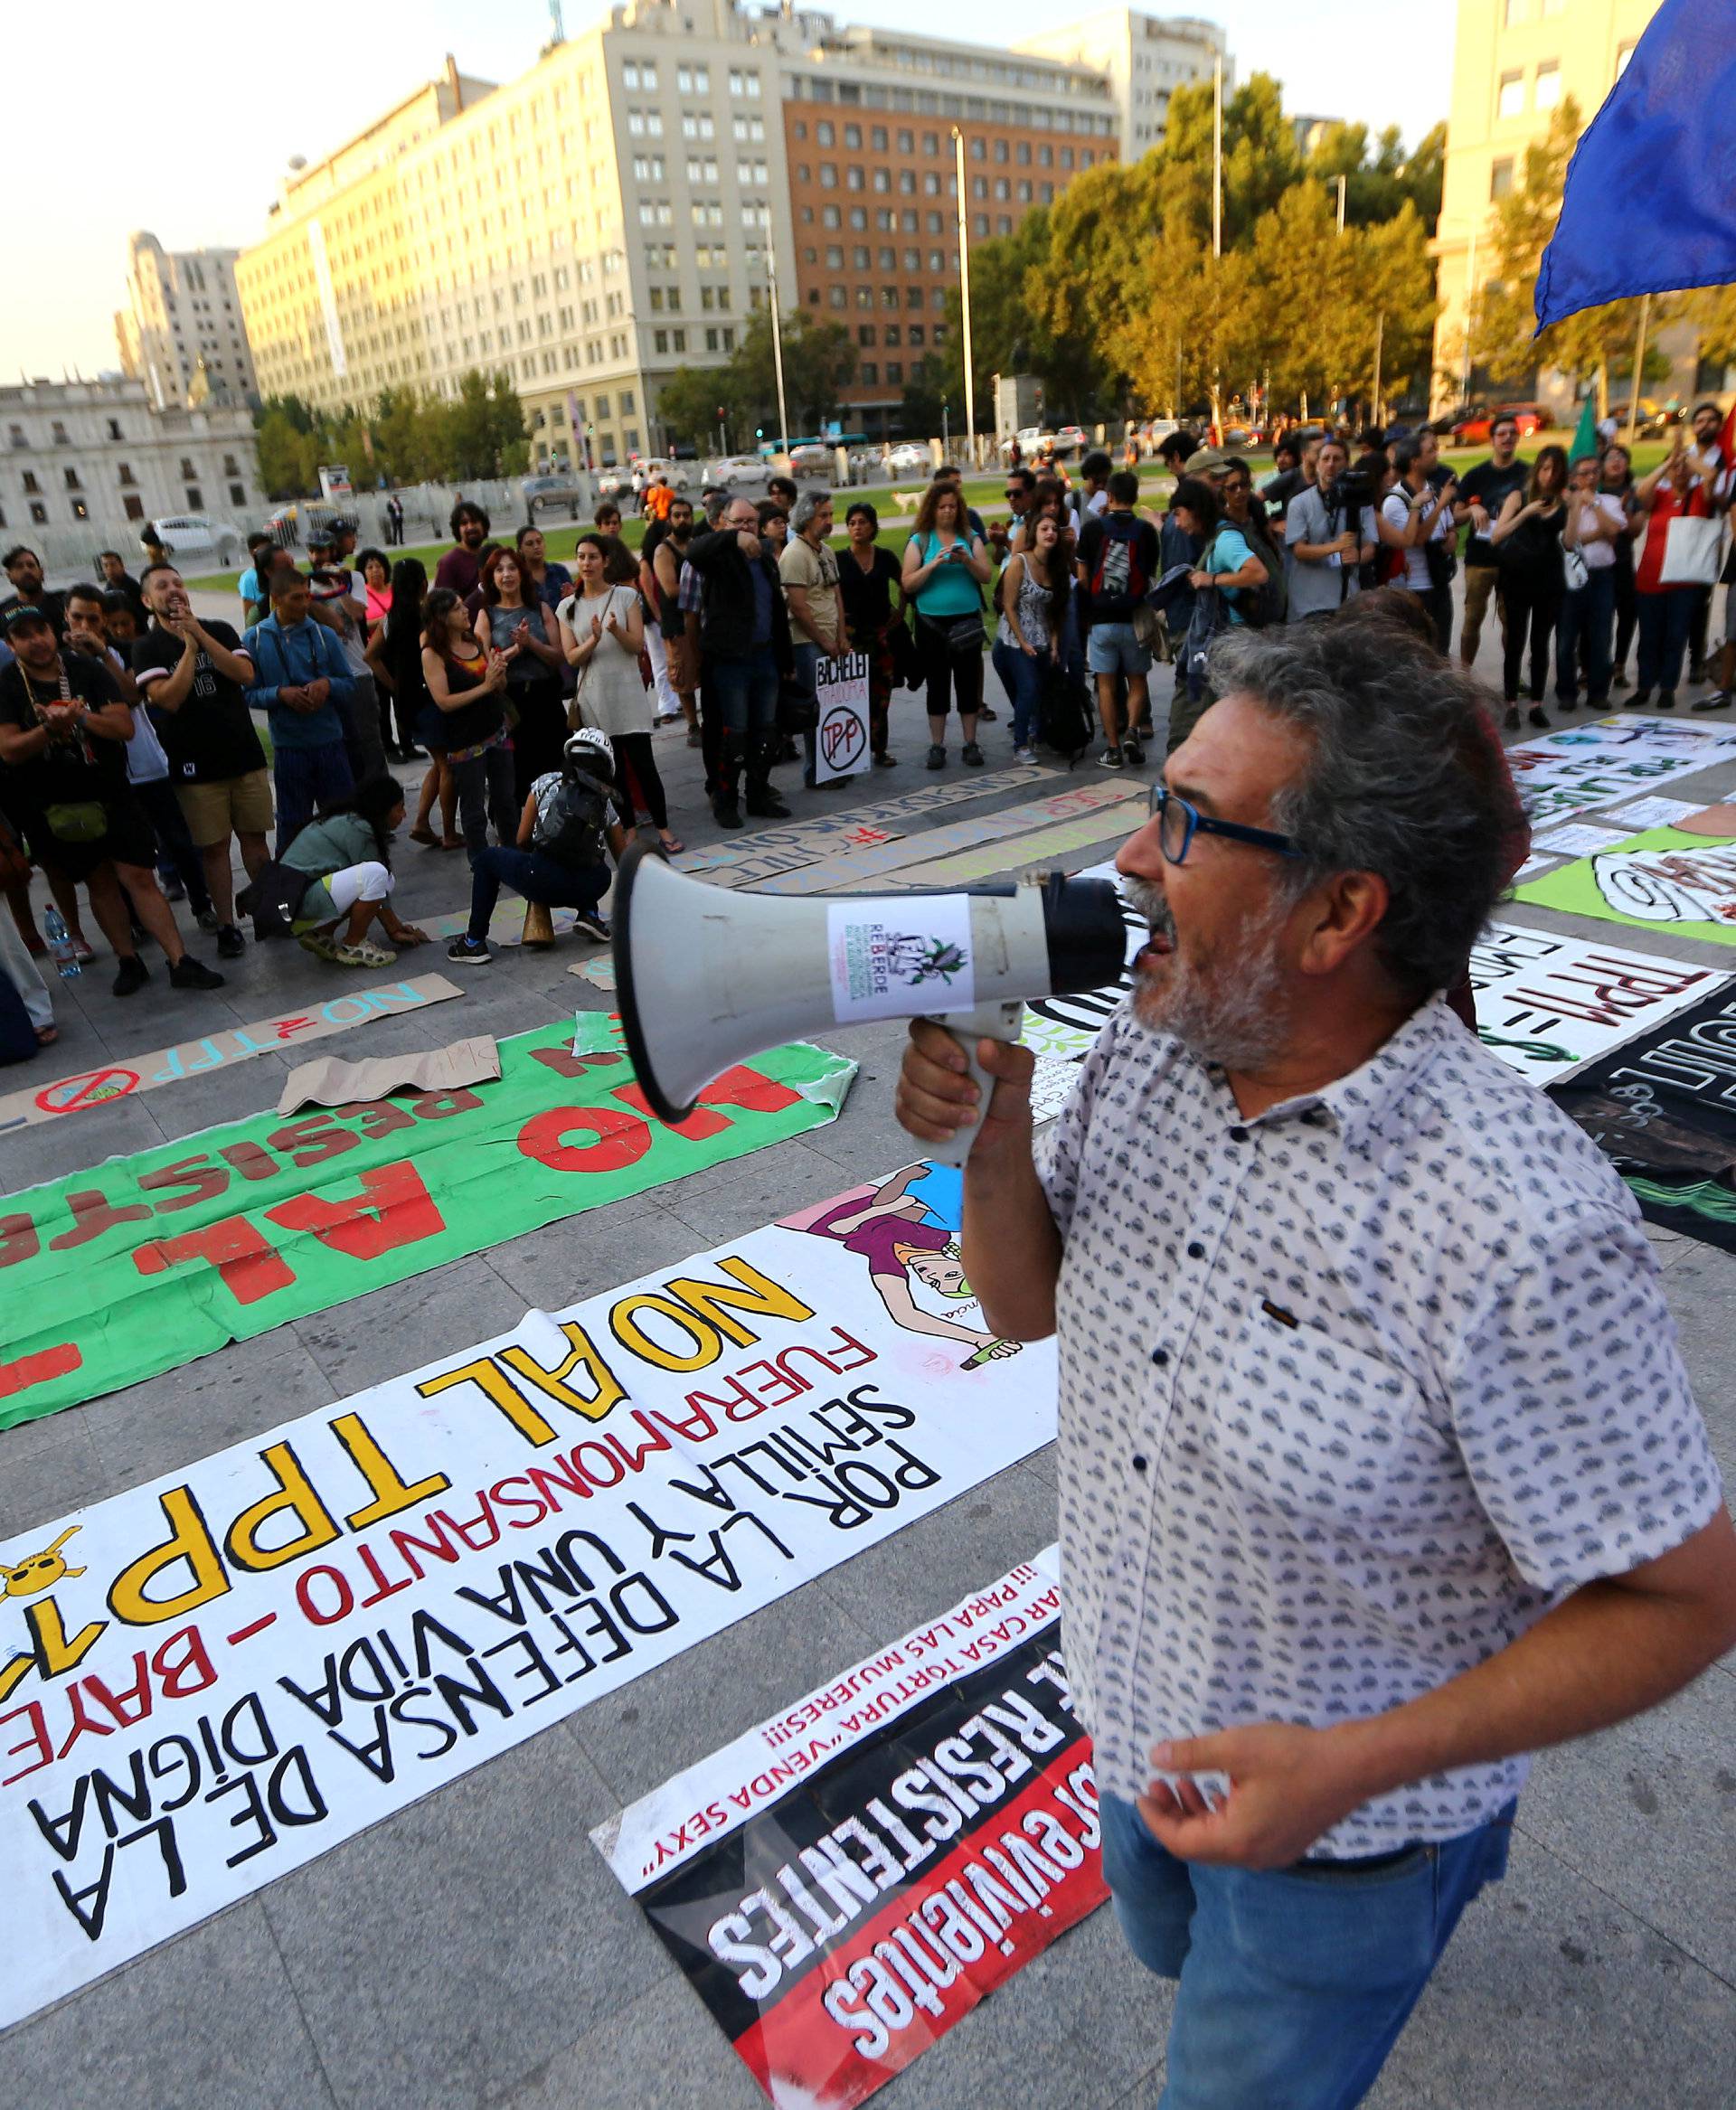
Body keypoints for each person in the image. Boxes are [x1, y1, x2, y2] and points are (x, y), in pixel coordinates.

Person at [890, 613, 1736, 2110]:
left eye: (1184, 827)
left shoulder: (1513, 1222)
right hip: (1132, 1719)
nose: (1132, 865)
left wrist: (1361, 1766)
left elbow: (1688, 1593)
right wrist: (994, 1129)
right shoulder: (1152, 1052)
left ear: (1340, 911)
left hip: (1350, 1843)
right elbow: (1026, 1304)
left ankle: (1442, 1870)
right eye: (1153, 806)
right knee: (1167, 1943)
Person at [0, 605, 223, 995]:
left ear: (54, 632)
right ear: (10, 643)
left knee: (138, 876)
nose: (36, 640)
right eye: (24, 634)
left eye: (42, 630)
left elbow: (123, 727)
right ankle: (128, 959)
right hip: (58, 803)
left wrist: (80, 720)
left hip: (111, 791)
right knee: (99, 882)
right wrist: (49, 730)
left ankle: (179, 960)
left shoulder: (85, 669)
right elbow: (9, 749)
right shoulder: (7, 684)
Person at [63, 582, 216, 938]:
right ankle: (136, 922)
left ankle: (201, 904)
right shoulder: (57, 664)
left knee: (178, 839)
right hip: (103, 776)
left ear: (103, 622)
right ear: (65, 618)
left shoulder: (121, 653)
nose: (84, 626)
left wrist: (102, 654)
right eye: (77, 617)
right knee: (123, 855)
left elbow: (132, 695)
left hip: (147, 765)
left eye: (92, 618)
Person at [133, 562, 269, 950]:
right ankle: (226, 925)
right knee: (213, 849)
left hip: (243, 756)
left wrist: (200, 636)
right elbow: (169, 699)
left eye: (178, 582)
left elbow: (244, 674)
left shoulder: (220, 630)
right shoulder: (148, 647)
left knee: (256, 840)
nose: (173, 589)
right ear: (147, 600)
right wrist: (190, 648)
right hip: (195, 768)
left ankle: (267, 912)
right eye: (162, 586)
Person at [446, 726, 624, 964]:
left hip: (541, 880)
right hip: (591, 885)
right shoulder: (606, 801)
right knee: (594, 860)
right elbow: (623, 857)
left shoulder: (546, 783)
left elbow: (521, 839)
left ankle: (473, 942)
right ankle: (590, 913)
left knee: (487, 859)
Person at [558, 534, 677, 851]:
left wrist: (614, 630)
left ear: (605, 561)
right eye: (581, 557)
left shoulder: (626, 596)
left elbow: (637, 646)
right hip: (595, 698)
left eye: (593, 557)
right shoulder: (567, 607)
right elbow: (571, 658)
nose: (586, 563)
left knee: (644, 766)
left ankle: (664, 828)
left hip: (628, 693)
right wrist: (593, 640)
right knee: (613, 772)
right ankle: (629, 828)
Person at [686, 495, 794, 828]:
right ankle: (726, 799)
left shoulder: (765, 560)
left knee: (766, 732)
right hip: (731, 661)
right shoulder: (718, 557)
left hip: (765, 657)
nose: (747, 528)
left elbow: (777, 611)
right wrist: (734, 538)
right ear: (724, 523)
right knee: (735, 734)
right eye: (739, 522)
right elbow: (695, 549)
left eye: (751, 522)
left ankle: (758, 794)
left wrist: (785, 659)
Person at [243, 569, 355, 843]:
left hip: (329, 741)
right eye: (296, 598)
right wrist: (280, 694)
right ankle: (294, 882)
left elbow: (350, 685)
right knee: (293, 825)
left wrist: (327, 685)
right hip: (289, 747)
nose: (305, 604)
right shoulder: (254, 639)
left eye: (307, 596)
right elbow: (247, 693)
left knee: (344, 819)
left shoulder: (324, 635)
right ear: (276, 599)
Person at [1167, 475, 1268, 756]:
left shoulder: (1225, 541)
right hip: (1227, 638)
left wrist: (1211, 580)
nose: (1176, 523)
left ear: (1195, 511)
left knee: (1200, 712)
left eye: (1179, 514)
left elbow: (1258, 572)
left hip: (1232, 638)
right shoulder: (1216, 537)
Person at [282, 774, 428, 967]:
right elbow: (375, 881)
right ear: (383, 809)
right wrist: (394, 930)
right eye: (400, 807)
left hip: (296, 900)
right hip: (298, 904)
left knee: (384, 878)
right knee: (377, 874)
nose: (404, 815)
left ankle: (322, 933)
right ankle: (354, 944)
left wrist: (396, 926)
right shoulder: (359, 827)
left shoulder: (351, 818)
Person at [420, 588, 516, 863]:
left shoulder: (474, 639)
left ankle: (511, 854)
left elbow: (498, 687)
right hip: (466, 741)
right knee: (473, 808)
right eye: (457, 608)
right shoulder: (433, 654)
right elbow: (444, 702)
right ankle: (481, 861)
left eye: (464, 606)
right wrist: (485, 686)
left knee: (505, 800)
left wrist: (498, 675)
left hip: (496, 732)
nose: (466, 611)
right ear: (441, 617)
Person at [902, 480, 992, 771]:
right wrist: (933, 564)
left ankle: (970, 742)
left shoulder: (970, 537)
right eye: (942, 507)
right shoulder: (920, 541)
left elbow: (986, 576)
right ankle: (937, 744)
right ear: (932, 508)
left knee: (967, 682)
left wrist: (966, 559)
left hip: (966, 621)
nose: (948, 512)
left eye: (953, 506)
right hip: (931, 624)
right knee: (937, 685)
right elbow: (908, 583)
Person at [1077, 469, 1161, 767]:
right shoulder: (1146, 531)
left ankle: (1112, 748)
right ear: (1136, 498)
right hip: (1134, 618)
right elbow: (1150, 574)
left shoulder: (1092, 530)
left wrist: (1095, 601)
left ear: (1109, 496)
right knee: (1137, 681)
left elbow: (1084, 576)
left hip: (1102, 620)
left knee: (1106, 685)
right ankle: (1133, 730)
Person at [476, 545, 567, 804]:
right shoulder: (487, 615)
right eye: (499, 569)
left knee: (553, 764)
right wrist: (516, 649)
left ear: (521, 573)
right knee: (517, 769)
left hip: (545, 696)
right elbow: (483, 663)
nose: (507, 574)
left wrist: (532, 644)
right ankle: (519, 827)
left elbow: (558, 655)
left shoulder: (540, 609)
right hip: (511, 701)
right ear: (491, 577)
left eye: (512, 568)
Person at [1489, 443, 1569, 730]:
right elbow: (1497, 535)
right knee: (1515, 641)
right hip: (1517, 577)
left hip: (1549, 579)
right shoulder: (1518, 496)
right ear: (1537, 470)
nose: (1549, 475)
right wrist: (1527, 512)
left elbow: (1570, 540)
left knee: (1540, 643)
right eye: (1545, 469)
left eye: (1555, 470)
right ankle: (1511, 702)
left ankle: (1536, 703)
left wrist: (1578, 505)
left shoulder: (1564, 500)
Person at [1630, 442, 1713, 712]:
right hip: (1651, 579)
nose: (1679, 471)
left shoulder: (1700, 494)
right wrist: (1668, 462)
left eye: (1683, 467)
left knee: (1676, 635)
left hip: (1684, 580)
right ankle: (1644, 686)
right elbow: (1641, 492)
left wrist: (1688, 459)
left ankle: (1667, 687)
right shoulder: (1660, 496)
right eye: (1674, 467)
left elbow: (1711, 475)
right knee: (1649, 636)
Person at [1454, 413, 1530, 674]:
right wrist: (1472, 511)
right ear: (1492, 440)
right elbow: (1455, 516)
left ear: (1518, 438)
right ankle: (1464, 675)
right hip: (1480, 558)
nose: (1507, 438)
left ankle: (1512, 676)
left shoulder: (1528, 474)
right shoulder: (1476, 475)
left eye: (1512, 433)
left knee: (1513, 621)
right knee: (1472, 618)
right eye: (1501, 434)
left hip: (1515, 559)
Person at [992, 511, 1070, 763]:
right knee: (1027, 688)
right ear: (1034, 534)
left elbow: (1056, 611)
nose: (1050, 534)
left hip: (1044, 637)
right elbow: (1009, 604)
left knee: (1041, 691)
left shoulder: (1057, 566)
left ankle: (1040, 733)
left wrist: (1055, 644)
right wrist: (1022, 641)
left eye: (1054, 530)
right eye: (1044, 529)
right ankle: (1020, 744)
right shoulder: (1019, 563)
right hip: (1015, 638)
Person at [781, 490, 845, 787]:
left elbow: (836, 596)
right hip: (806, 643)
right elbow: (798, 607)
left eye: (831, 515)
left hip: (829, 640)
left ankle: (835, 764)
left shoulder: (826, 551)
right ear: (807, 517)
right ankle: (816, 771)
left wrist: (842, 636)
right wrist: (825, 640)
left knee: (833, 706)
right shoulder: (794, 554)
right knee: (813, 710)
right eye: (823, 515)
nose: (829, 521)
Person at [1555, 454, 1625, 715]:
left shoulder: (1609, 501)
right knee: (1566, 638)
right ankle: (1566, 692)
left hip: (1602, 575)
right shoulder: (1565, 505)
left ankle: (1598, 692)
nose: (1591, 477)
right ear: (1573, 477)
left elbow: (1614, 531)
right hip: (1573, 576)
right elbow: (1570, 541)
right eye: (1584, 473)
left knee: (1601, 636)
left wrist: (1593, 502)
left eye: (1595, 471)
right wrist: (1594, 529)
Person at [838, 499, 903, 768]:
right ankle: (852, 750)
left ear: (873, 526)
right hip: (852, 635)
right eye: (852, 523)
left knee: (881, 694)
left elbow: (904, 584)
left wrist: (899, 611)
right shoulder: (839, 559)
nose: (857, 527)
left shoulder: (885, 557)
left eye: (862, 522)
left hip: (880, 636)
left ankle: (880, 749)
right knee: (852, 693)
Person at [1284, 438, 1374, 624]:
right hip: (1309, 604)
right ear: (1317, 465)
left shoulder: (1361, 501)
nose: (1331, 464)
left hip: (1347, 600)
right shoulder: (1299, 503)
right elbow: (1299, 551)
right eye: (1325, 459)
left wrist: (1358, 555)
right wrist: (1336, 546)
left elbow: (1370, 546)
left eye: (1337, 459)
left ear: (1347, 463)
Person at [1380, 442, 1457, 654]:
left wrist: (1452, 537)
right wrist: (1440, 505)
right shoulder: (1395, 500)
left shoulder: (1434, 490)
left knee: (1441, 651)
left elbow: (1450, 526)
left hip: (1439, 582)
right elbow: (1416, 539)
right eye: (1430, 451)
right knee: (1418, 655)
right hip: (1412, 589)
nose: (1436, 454)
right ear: (1414, 461)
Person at [646, 500, 701, 748]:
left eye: (686, 515)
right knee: (683, 677)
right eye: (677, 516)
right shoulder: (663, 551)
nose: (682, 520)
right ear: (669, 519)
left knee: (703, 673)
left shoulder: (696, 545)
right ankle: (692, 725)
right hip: (676, 624)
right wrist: (706, 585)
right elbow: (669, 589)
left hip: (700, 621)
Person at [1684, 400, 1729, 685]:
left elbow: (1724, 501)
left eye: (1711, 420)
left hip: (1709, 531)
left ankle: (1696, 658)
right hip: (1679, 528)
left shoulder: (1726, 460)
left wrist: (1707, 478)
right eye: (1700, 420)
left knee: (1700, 600)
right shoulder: (1682, 455)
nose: (1705, 425)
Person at [1221, 460, 1287, 626]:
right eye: (1232, 487)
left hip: (1273, 600)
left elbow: (1271, 545)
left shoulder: (1255, 511)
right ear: (1222, 491)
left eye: (1244, 485)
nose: (1239, 491)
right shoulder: (1223, 526)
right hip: (1242, 613)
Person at [1599, 443, 1643, 690]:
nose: (1616, 461)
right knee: (1598, 619)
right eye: (1611, 457)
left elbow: (1635, 530)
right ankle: (1592, 667)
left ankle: (1618, 666)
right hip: (1597, 564)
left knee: (1628, 614)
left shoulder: (1632, 494)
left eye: (1622, 457)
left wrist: (1624, 508)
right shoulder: (1594, 489)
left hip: (1622, 562)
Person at [1, 549, 65, 638]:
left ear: (41, 572)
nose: (27, 570)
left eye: (31, 565)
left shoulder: (64, 602)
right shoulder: (2, 611)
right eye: (19, 567)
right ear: (9, 576)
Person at [434, 501, 490, 598]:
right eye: (464, 523)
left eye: (474, 521)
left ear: (483, 525)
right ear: (457, 529)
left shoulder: (492, 555)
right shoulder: (448, 563)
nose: (470, 527)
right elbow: (441, 606)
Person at [98, 551, 148, 631]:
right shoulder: (108, 587)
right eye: (105, 565)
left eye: (113, 564)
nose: (110, 569)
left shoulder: (133, 586)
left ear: (121, 566)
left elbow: (144, 613)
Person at [238, 532, 276, 627]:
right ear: (252, 552)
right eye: (263, 549)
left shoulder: (276, 570)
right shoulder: (248, 578)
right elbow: (248, 610)